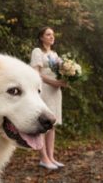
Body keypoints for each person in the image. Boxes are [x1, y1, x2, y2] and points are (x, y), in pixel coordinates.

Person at [30, 27, 67, 170]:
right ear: (41, 37)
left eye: (52, 34)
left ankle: (51, 157)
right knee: (43, 125)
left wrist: (66, 80)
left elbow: (60, 73)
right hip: (43, 90)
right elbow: (36, 74)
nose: (52, 37)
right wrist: (54, 83)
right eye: (48, 34)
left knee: (52, 125)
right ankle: (43, 158)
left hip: (55, 91)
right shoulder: (37, 52)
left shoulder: (55, 54)